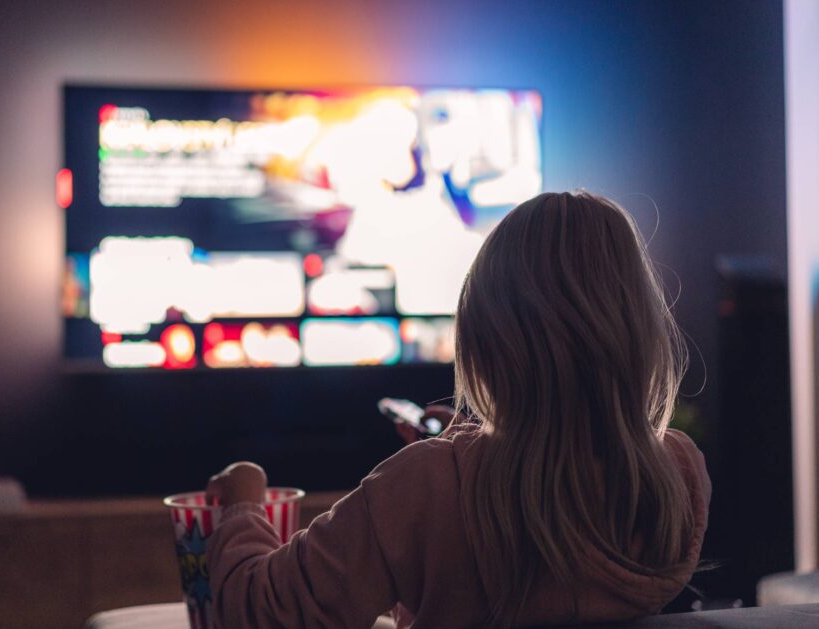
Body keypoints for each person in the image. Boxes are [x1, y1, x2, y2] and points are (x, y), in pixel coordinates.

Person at [205, 191, 712, 628]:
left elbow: (263, 614)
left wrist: (243, 506)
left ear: (486, 338)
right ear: (639, 333)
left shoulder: (423, 487)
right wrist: (458, 458)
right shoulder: (678, 473)